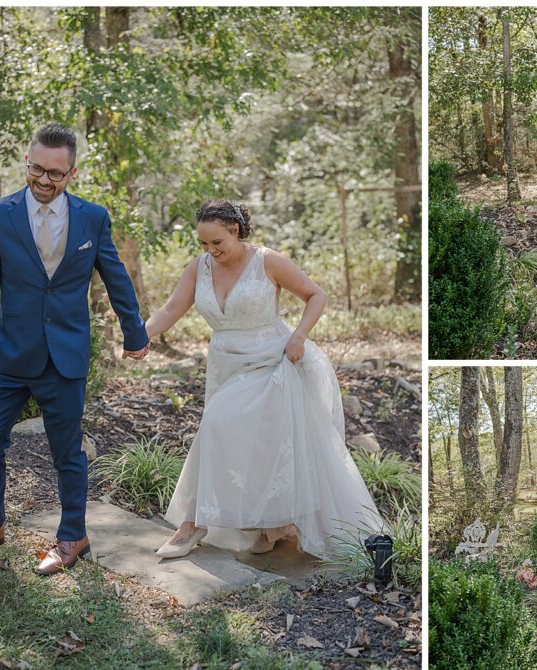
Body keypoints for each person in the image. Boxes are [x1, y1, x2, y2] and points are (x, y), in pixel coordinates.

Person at [0, 123, 149, 575]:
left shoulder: (93, 218)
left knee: (68, 453)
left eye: (54, 173)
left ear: (70, 173)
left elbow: (116, 277)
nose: (43, 179)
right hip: (11, 355)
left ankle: (73, 536)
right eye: (36, 168)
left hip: (66, 356)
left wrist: (134, 332)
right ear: (28, 163)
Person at [143, 200, 381, 559]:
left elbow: (316, 295)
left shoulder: (268, 261)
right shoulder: (199, 268)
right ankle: (270, 526)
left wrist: (299, 336)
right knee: (250, 444)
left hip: (272, 360)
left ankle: (192, 524)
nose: (211, 251)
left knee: (219, 426)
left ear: (235, 230)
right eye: (204, 244)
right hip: (226, 364)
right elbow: (172, 309)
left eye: (217, 243)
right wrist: (140, 336)